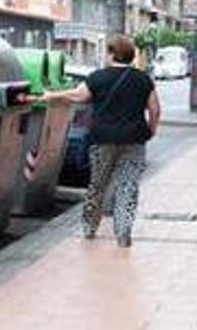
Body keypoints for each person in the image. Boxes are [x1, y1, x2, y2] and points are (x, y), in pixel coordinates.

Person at [32, 35, 160, 247]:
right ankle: (123, 232)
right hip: (134, 140)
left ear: (111, 54)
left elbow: (77, 96)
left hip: (102, 140)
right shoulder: (143, 79)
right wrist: (151, 130)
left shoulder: (98, 77)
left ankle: (90, 227)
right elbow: (154, 110)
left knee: (97, 184)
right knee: (128, 186)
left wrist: (51, 96)